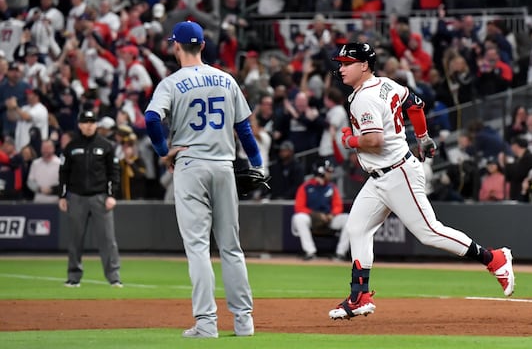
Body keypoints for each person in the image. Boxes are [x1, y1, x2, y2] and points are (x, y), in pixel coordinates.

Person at [327, 42, 515, 320]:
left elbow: (374, 141)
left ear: (364, 65)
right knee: (357, 228)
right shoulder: (386, 84)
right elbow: (414, 104)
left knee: (430, 233)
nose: (341, 68)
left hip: (396, 173)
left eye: (347, 63)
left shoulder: (365, 97)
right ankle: (359, 296)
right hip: (380, 176)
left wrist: (349, 140)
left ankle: (494, 259)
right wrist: (423, 137)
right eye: (340, 63)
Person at [145, 21, 263, 338]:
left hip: (191, 166)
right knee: (231, 248)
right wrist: (258, 164)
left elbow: (151, 118)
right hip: (224, 166)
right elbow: (245, 131)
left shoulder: (171, 82)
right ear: (203, 46)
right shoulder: (226, 79)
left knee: (198, 248)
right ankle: (243, 322)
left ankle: (207, 323)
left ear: (176, 46)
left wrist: (162, 151)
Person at [58, 110, 122, 288]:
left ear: (96, 124)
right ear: (79, 125)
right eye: (85, 122)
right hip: (77, 197)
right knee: (75, 240)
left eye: (92, 122)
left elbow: (114, 172)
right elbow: (64, 172)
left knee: (108, 240)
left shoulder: (106, 145)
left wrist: (111, 195)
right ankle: (73, 277)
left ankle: (114, 277)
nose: (89, 125)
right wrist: (63, 195)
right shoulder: (71, 146)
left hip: (100, 197)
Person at [291, 160, 350, 261]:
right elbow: (299, 207)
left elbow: (338, 206)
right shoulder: (306, 187)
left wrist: (332, 214)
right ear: (321, 172)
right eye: (328, 171)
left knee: (348, 219)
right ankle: (310, 252)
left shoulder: (331, 187)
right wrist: (315, 214)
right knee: (298, 218)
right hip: (311, 219)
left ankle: (340, 253)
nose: (330, 174)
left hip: (328, 219)